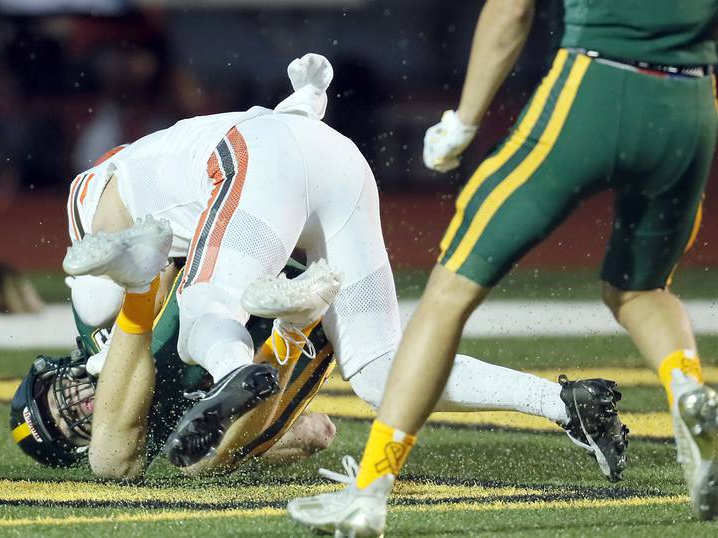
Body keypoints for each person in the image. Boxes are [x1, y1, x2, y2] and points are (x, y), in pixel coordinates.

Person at [61, 53, 626, 481]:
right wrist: (307, 99)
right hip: (334, 161)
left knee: (206, 301)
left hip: (254, 160)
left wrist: (106, 349)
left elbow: (111, 271)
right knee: (381, 369)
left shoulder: (90, 202)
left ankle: (236, 368)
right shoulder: (151, 159)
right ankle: (560, 403)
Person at [286, 1, 718, 534]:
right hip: (690, 103)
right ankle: (687, 389)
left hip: (596, 85)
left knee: (448, 293)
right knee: (643, 289)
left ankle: (370, 492)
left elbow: (512, 11)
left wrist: (463, 122)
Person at [9, 259, 338, 476]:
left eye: (57, 402)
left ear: (58, 373)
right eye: (68, 427)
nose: (77, 409)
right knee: (199, 461)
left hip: (233, 270)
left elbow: (163, 261)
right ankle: (296, 325)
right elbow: (318, 432)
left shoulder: (97, 326)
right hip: (294, 323)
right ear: (83, 448)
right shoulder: (153, 440)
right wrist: (245, 453)